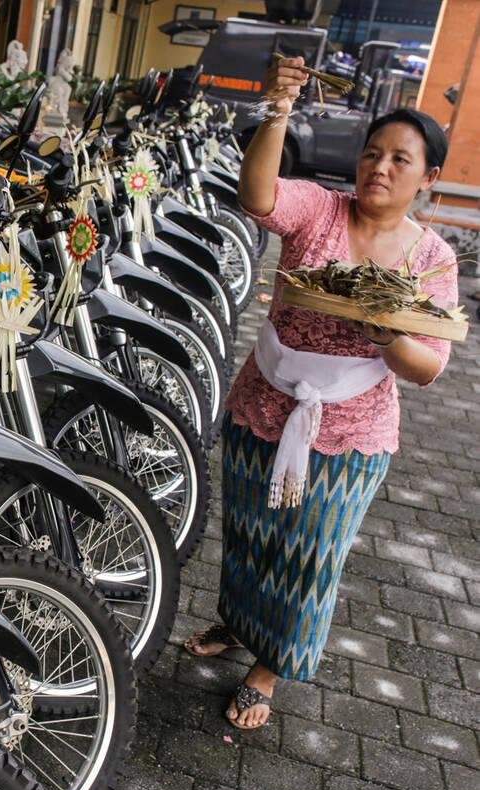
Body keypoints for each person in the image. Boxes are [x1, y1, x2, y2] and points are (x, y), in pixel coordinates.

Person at [184, 56, 458, 730]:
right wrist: (277, 110)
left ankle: (270, 665)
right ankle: (241, 620)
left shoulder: (431, 258)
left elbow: (428, 366)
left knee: (310, 552)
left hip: (349, 430)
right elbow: (257, 196)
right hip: (263, 402)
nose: (380, 167)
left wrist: (381, 332)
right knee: (251, 534)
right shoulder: (320, 210)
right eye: (372, 153)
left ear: (429, 179)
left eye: (400, 159)